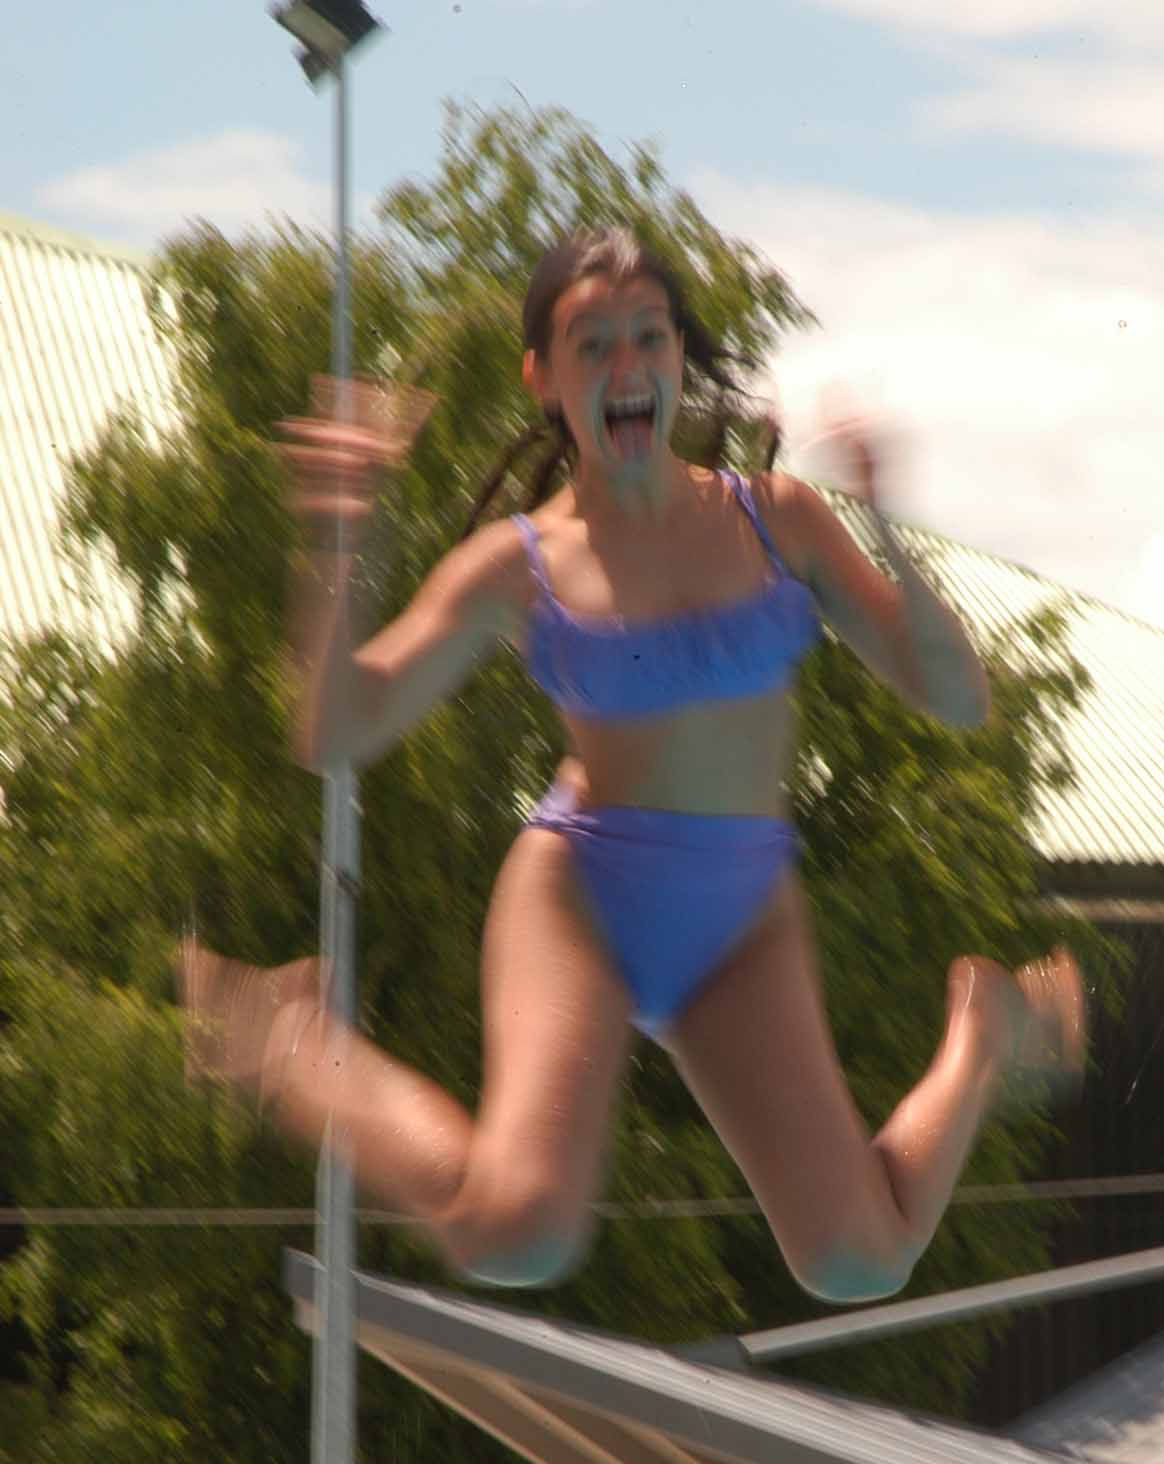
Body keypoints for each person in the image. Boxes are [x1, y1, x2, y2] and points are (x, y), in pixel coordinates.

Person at [181, 226, 1084, 1299]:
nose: (626, 365)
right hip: (582, 899)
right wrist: (337, 542)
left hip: (740, 919)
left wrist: (883, 529)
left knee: (860, 1259)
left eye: (648, 338)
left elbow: (958, 699)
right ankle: (293, 1042)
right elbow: (334, 732)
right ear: (544, 378)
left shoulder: (776, 521)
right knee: (517, 1232)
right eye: (593, 343)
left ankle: (979, 1031)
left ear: (677, 359)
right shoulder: (519, 567)